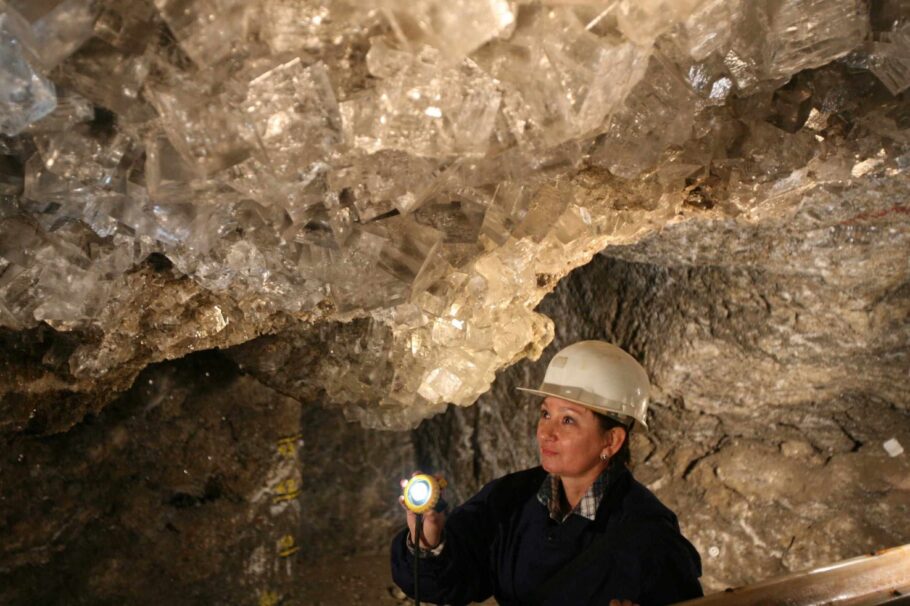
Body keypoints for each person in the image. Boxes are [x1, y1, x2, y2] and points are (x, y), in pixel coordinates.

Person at [391, 341, 703, 606]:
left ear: (611, 440)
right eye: (545, 414)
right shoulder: (510, 498)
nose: (545, 433)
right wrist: (428, 542)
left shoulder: (648, 536)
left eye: (568, 420)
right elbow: (451, 582)